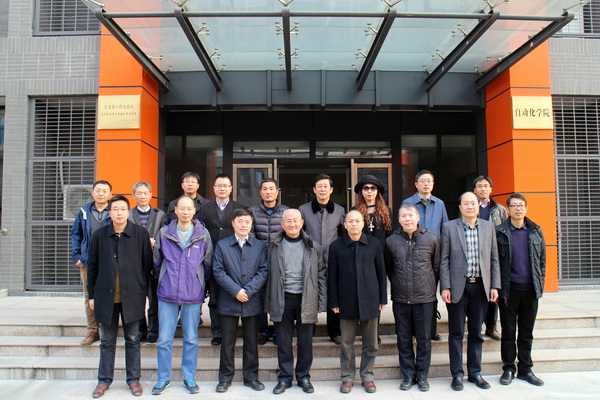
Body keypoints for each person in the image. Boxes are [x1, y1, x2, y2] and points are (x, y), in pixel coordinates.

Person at [87, 195, 153, 398]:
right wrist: (91, 296)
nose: (119, 213)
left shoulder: (140, 234)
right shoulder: (99, 235)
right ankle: (104, 381)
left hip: (132, 296)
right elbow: (92, 267)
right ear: (110, 212)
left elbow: (146, 266)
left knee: (133, 339)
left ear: (128, 212)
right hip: (105, 297)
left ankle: (134, 380)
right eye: (115, 209)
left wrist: (142, 292)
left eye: (123, 209)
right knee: (107, 340)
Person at [151, 195, 213, 395]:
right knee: (164, 339)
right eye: (182, 208)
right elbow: (156, 262)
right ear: (175, 210)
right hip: (167, 293)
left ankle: (189, 377)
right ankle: (163, 378)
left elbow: (208, 264)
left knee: (191, 339)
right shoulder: (164, 233)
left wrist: (200, 284)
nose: (186, 211)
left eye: (189, 208)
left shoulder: (203, 234)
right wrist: (164, 279)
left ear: (194, 211)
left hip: (192, 294)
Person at [440, 191, 500, 391]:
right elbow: (444, 259)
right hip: (458, 288)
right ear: (460, 207)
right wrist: (445, 286)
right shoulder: (449, 227)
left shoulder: (488, 227)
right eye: (466, 203)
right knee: (456, 333)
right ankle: (457, 374)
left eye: (473, 203)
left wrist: (494, 286)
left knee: (476, 333)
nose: (470, 206)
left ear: (478, 206)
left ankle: (475, 373)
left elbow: (494, 259)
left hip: (481, 288)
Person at [264, 209, 326, 394]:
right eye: (288, 221)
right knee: (283, 342)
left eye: (295, 221)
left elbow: (321, 275)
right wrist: (268, 303)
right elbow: (267, 276)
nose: (292, 224)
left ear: (302, 223)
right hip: (282, 299)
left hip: (306, 299)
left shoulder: (314, 247)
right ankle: (285, 377)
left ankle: (303, 377)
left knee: (305, 342)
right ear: (282, 224)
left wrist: (320, 302)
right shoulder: (273, 246)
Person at [328, 210, 387, 394]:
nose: (354, 224)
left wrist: (382, 298)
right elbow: (332, 277)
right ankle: (347, 377)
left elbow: (381, 273)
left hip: (370, 299)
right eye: (350, 221)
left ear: (363, 224)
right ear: (345, 225)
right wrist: (333, 301)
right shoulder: (336, 246)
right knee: (346, 343)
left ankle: (367, 376)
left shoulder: (374, 244)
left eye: (357, 221)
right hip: (346, 300)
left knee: (371, 343)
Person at [385, 203, 440, 392]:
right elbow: (390, 268)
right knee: (404, 339)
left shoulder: (432, 239)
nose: (407, 219)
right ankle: (408, 374)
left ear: (418, 217)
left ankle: (422, 376)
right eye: (403, 216)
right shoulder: (391, 241)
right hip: (401, 298)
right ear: (399, 219)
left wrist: (429, 287)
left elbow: (436, 268)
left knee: (424, 339)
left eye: (410, 215)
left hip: (425, 299)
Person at [213, 208, 268, 393]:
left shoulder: (259, 245)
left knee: (251, 342)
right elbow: (218, 271)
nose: (243, 225)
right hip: (229, 300)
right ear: (233, 223)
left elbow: (263, 271)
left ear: (251, 224)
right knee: (227, 342)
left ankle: (251, 377)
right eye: (240, 221)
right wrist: (236, 290)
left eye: (247, 222)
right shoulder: (222, 245)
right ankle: (225, 378)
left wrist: (249, 290)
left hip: (251, 301)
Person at [496, 194, 546, 387]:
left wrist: (539, 284)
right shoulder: (500, 232)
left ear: (526, 208)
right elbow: (495, 262)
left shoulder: (535, 231)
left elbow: (542, 261)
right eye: (514, 206)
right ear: (508, 209)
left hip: (531, 291)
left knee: (526, 332)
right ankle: (508, 368)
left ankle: (525, 369)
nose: (518, 209)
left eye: (521, 205)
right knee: (508, 332)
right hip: (509, 292)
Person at [299, 173, 345, 344]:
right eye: (319, 186)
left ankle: (335, 332)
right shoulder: (303, 210)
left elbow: (343, 235)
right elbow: (299, 234)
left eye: (326, 186)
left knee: (334, 293)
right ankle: (308, 330)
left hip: (333, 260)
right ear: (314, 189)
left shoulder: (340, 210)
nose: (323, 189)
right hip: (310, 259)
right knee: (309, 294)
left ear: (331, 189)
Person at [200, 173, 245, 346]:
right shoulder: (204, 209)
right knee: (215, 298)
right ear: (214, 188)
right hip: (212, 259)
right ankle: (218, 333)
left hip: (234, 259)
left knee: (235, 295)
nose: (222, 188)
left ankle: (234, 331)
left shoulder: (239, 208)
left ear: (231, 188)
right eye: (219, 185)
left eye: (225, 185)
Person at [403, 170, 448, 341]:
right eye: (422, 181)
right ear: (416, 184)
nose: (426, 184)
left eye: (429, 181)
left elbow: (445, 229)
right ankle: (414, 329)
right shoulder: (408, 203)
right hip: (413, 253)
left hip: (434, 253)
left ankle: (431, 330)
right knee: (414, 292)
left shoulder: (440, 204)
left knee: (431, 292)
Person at [71, 180, 112, 345]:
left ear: (110, 195)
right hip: (89, 260)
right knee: (90, 296)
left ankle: (108, 329)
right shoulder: (84, 212)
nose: (101, 194)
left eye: (104, 191)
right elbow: (76, 234)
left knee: (111, 294)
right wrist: (77, 256)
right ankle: (93, 330)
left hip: (110, 260)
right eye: (98, 190)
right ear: (92, 193)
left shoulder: (115, 210)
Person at [249, 178, 289, 345]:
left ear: (277, 191)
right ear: (260, 192)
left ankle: (279, 330)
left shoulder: (286, 212)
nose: (268, 192)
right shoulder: (252, 212)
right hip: (259, 261)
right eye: (265, 189)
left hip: (280, 261)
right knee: (259, 296)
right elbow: (250, 236)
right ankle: (262, 331)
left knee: (279, 297)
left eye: (271, 189)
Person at [128, 181, 168, 345]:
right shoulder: (128, 215)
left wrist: (156, 242)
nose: (142, 196)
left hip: (154, 262)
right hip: (134, 263)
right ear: (133, 195)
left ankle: (154, 331)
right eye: (139, 193)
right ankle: (140, 330)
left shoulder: (160, 214)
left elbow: (166, 235)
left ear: (151, 195)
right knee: (136, 299)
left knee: (154, 299)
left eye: (145, 193)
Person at [473, 175, 508, 341]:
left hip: (493, 254)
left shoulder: (499, 209)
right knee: (478, 292)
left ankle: (491, 326)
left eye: (486, 186)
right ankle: (476, 325)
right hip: (474, 254)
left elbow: (506, 231)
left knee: (493, 291)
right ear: (475, 190)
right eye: (479, 186)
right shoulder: (470, 207)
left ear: (491, 189)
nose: (483, 189)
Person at [353, 175, 392, 246]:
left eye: (373, 188)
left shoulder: (387, 211)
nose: (369, 191)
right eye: (366, 188)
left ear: (377, 191)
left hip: (381, 249)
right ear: (361, 191)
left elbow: (389, 233)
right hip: (361, 249)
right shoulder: (354, 211)